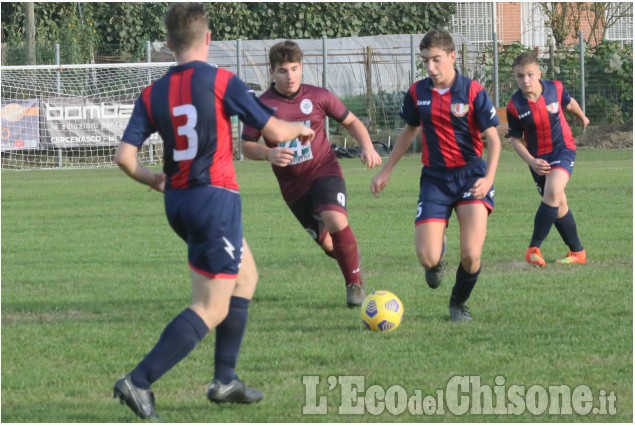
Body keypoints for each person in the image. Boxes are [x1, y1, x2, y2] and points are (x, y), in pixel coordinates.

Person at [112, 4, 314, 420]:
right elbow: (274, 131)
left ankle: (225, 380)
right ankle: (139, 379)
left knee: (246, 276)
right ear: (208, 39)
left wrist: (154, 179)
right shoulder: (222, 80)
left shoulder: (152, 93)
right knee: (210, 305)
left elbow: (124, 157)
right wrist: (298, 128)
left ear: (168, 45)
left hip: (179, 201)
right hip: (214, 199)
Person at [370, 29, 501, 322]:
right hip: (435, 179)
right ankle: (436, 257)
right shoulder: (418, 92)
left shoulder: (473, 91)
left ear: (452, 57)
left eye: (436, 60)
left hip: (471, 177)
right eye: (425, 60)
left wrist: (489, 178)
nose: (430, 67)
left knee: (470, 255)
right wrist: (386, 170)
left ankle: (458, 304)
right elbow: (409, 131)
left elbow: (494, 140)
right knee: (427, 257)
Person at [241, 40, 382, 307]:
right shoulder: (260, 107)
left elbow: (351, 121)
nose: (290, 76)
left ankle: (354, 285)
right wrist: (268, 153)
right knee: (330, 245)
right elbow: (246, 145)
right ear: (272, 72)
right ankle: (348, 254)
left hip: (324, 171)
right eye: (283, 70)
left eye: (295, 68)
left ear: (302, 67)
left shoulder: (318, 96)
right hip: (294, 188)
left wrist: (367, 146)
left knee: (335, 219)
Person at [506, 52, 589, 267]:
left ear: (539, 74)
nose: (525, 80)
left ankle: (533, 249)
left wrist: (582, 117)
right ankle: (578, 252)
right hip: (538, 159)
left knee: (553, 192)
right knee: (558, 203)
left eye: (530, 75)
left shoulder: (555, 88)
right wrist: (532, 161)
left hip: (563, 149)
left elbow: (570, 104)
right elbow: (515, 140)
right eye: (520, 76)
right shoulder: (514, 106)